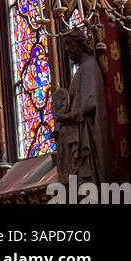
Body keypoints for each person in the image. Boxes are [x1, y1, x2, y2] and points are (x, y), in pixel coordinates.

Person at [54, 30, 107, 185]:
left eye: (68, 44)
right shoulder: (82, 69)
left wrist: (67, 117)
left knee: (88, 182)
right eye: (64, 46)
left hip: (87, 136)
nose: (66, 49)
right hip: (80, 134)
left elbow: (90, 104)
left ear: (80, 43)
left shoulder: (89, 66)